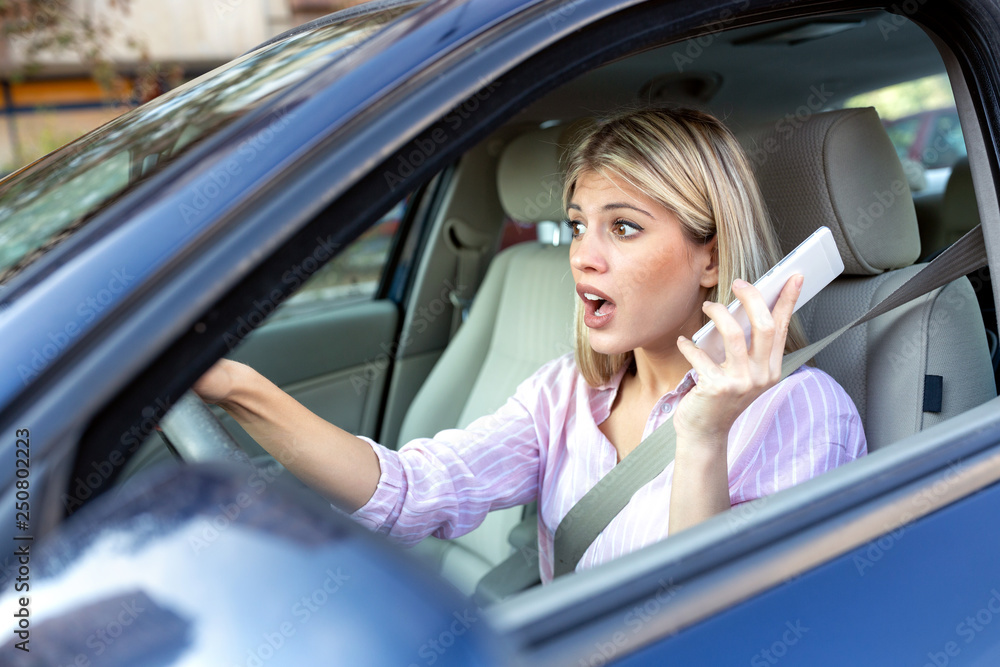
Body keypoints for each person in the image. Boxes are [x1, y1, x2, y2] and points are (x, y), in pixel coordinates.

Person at [193, 106, 867, 584]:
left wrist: (702, 436)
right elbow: (411, 490)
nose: (583, 258)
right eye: (576, 226)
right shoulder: (560, 395)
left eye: (624, 228)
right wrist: (235, 389)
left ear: (711, 259)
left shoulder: (806, 413)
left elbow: (712, 629)